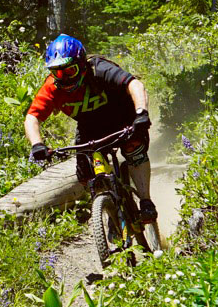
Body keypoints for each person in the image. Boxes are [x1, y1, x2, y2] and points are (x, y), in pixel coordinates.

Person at [23, 34, 157, 224]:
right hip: (90, 126)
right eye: (57, 73)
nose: (64, 78)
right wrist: (37, 144)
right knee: (85, 175)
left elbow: (134, 84)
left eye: (70, 71)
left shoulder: (100, 70)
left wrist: (141, 113)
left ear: (82, 64)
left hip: (123, 117)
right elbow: (32, 117)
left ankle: (145, 201)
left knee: (134, 150)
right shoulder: (52, 87)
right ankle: (110, 210)